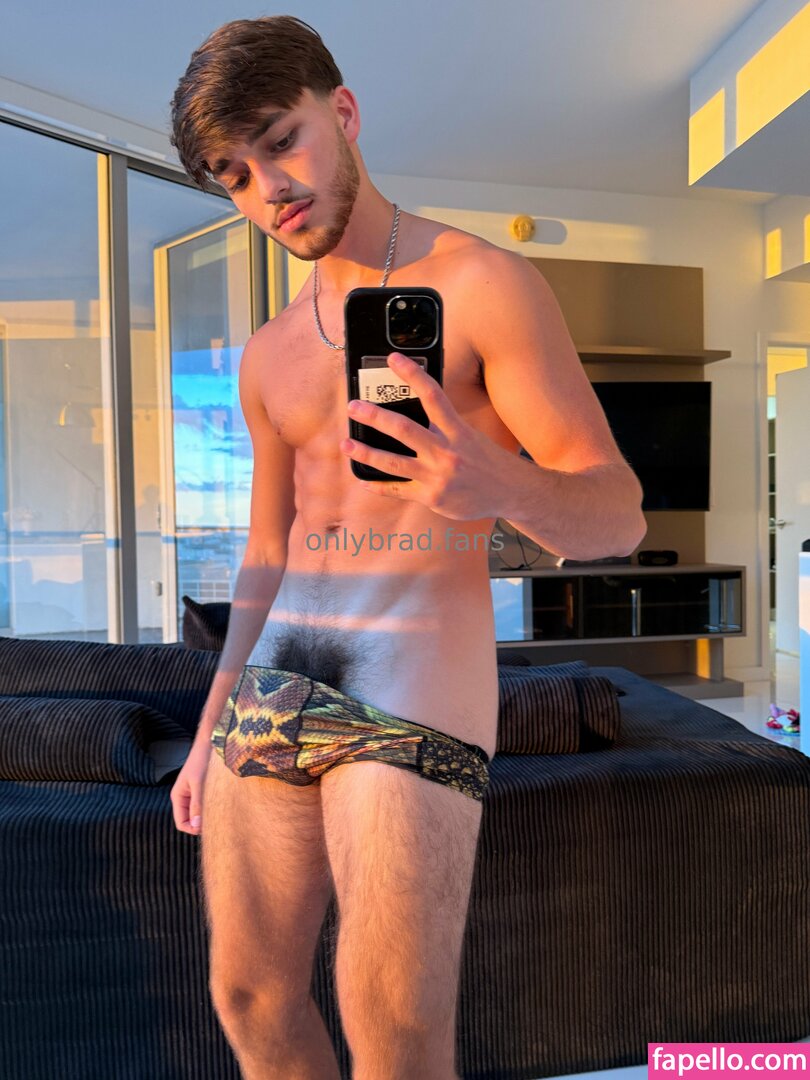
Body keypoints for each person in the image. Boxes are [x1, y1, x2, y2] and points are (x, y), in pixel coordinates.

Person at [168, 15, 646, 1080]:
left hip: (412, 683)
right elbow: (267, 550)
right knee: (247, 998)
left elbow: (618, 512)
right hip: (276, 683)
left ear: (341, 113)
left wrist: (496, 485)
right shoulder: (269, 355)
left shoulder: (481, 284)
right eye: (235, 176)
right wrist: (210, 727)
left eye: (280, 142)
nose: (269, 189)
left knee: (393, 1032)